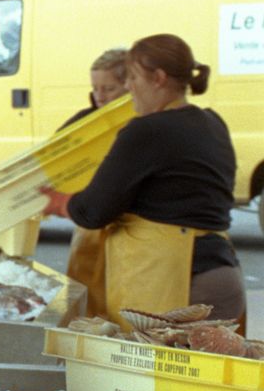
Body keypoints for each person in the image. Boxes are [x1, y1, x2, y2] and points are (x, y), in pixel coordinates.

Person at [41, 33, 245, 331]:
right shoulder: (213, 122)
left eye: (133, 78)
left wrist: (57, 201)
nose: (129, 87)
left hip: (178, 284)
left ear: (159, 78)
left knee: (153, 376)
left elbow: (93, 211)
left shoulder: (146, 131)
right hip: (223, 276)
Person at [58, 48, 129, 316]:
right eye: (95, 87)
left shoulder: (139, 126)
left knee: (117, 309)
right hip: (88, 228)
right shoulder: (84, 121)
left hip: (122, 233)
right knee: (87, 305)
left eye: (108, 88)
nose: (100, 95)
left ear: (130, 85)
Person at [59, 48, 128, 130]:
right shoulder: (81, 121)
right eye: (95, 89)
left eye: (109, 89)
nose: (99, 98)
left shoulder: (142, 122)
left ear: (131, 86)